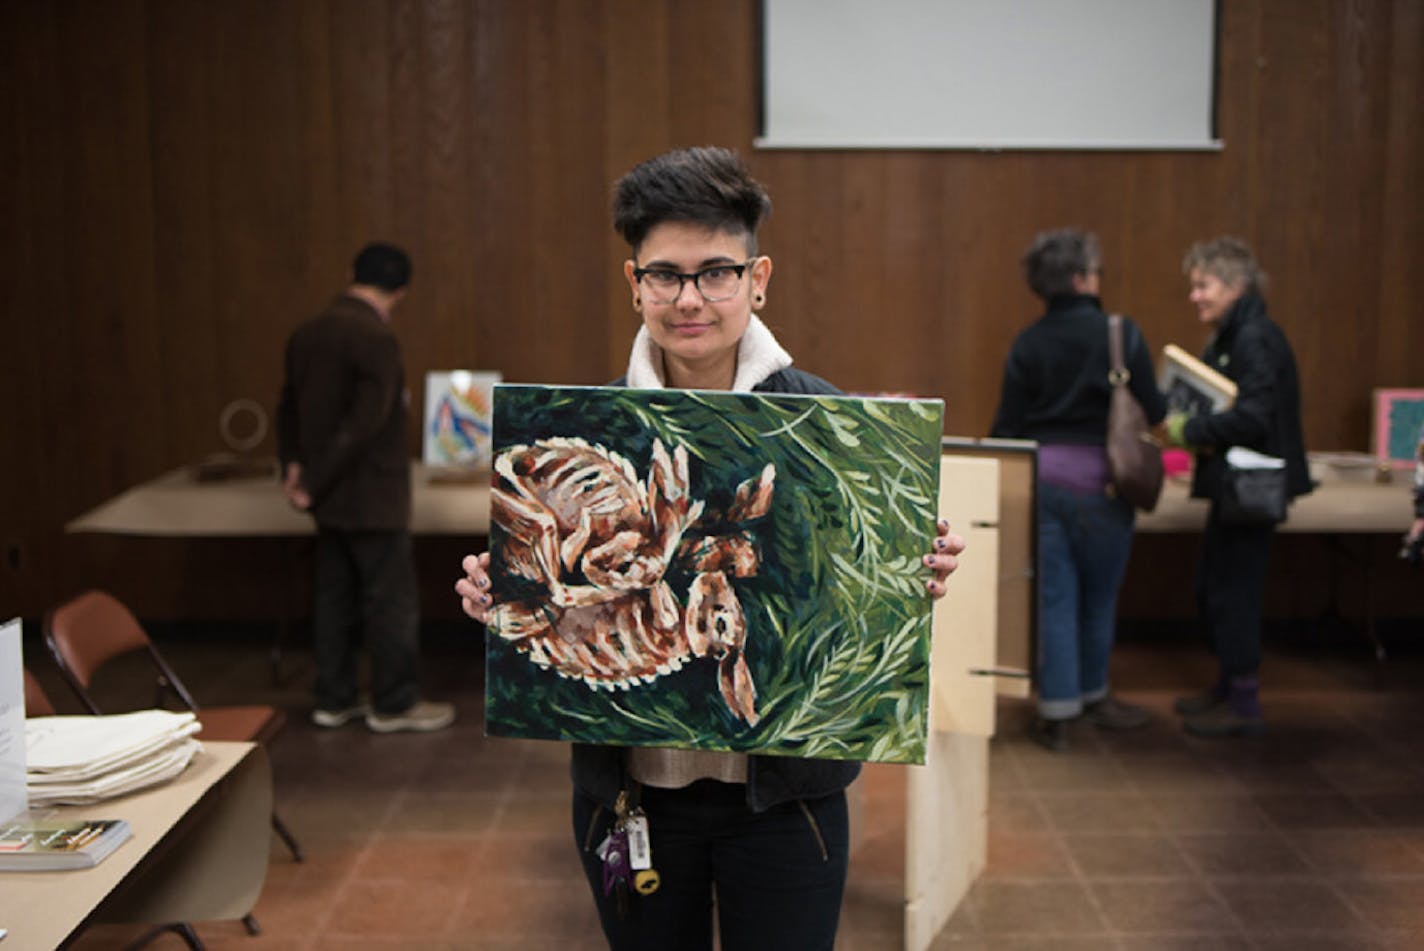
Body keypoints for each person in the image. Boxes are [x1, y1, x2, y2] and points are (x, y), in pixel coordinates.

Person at [454, 147, 964, 950]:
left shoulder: (833, 427)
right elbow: (539, 597)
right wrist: (496, 589)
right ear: (635, 284)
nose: (690, 298)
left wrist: (911, 571)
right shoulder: (583, 427)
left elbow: (854, 593)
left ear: (758, 278)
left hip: (786, 803)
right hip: (632, 795)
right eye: (665, 274)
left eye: (716, 272)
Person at [990, 229, 1166, 752]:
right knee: (1098, 596)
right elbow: (1154, 410)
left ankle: (1057, 712)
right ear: (1082, 277)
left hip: (1044, 483)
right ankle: (1095, 696)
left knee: (1054, 597)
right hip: (1105, 484)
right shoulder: (1121, 333)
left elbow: (1007, 428)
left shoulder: (1027, 342)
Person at [277, 242, 455, 733]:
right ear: (402, 290)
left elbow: (287, 407)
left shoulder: (307, 332)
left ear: (350, 271)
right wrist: (314, 480)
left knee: (332, 597)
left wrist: (294, 468)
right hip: (371, 495)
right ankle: (394, 703)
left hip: (328, 496)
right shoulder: (374, 337)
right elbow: (366, 423)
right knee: (389, 600)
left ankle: (333, 699)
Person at [1162, 236, 1310, 738]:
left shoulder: (1253, 338)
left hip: (1252, 490)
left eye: (1203, 285)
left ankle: (1244, 702)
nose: (1195, 296)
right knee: (1217, 588)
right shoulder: (1235, 335)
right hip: (1235, 489)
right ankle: (1228, 686)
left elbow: (1252, 416)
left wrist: (1190, 430)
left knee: (1234, 594)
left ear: (1235, 285)